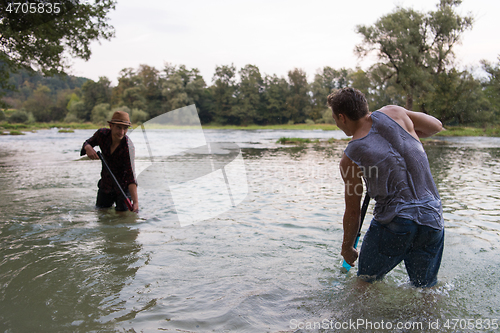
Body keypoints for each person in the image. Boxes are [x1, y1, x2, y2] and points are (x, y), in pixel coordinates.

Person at [328, 87, 444, 288]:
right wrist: (410, 131)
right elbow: (436, 126)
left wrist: (347, 248)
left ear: (342, 117)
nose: (337, 124)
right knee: (426, 290)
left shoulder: (350, 157)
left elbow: (353, 211)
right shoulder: (395, 112)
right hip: (432, 218)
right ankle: (430, 320)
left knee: (364, 284)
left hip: (395, 223)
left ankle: (355, 320)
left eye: (336, 120)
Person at [81, 111, 139, 213]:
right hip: (105, 185)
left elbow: (131, 177)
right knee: (101, 215)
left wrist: (136, 202)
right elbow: (87, 142)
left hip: (123, 189)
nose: (122, 132)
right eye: (118, 127)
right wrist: (88, 147)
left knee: (122, 220)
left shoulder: (128, 147)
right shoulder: (102, 134)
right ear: (111, 126)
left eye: (125, 128)